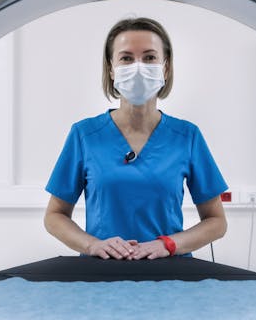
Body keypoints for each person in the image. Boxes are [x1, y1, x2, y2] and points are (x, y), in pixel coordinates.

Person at [44, 17, 228, 260]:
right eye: (127, 58)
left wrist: (169, 244)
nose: (138, 66)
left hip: (169, 274)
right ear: (111, 68)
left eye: (150, 57)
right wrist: (92, 245)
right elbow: (54, 216)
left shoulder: (187, 136)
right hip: (102, 273)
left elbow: (216, 222)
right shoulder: (85, 135)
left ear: (166, 66)